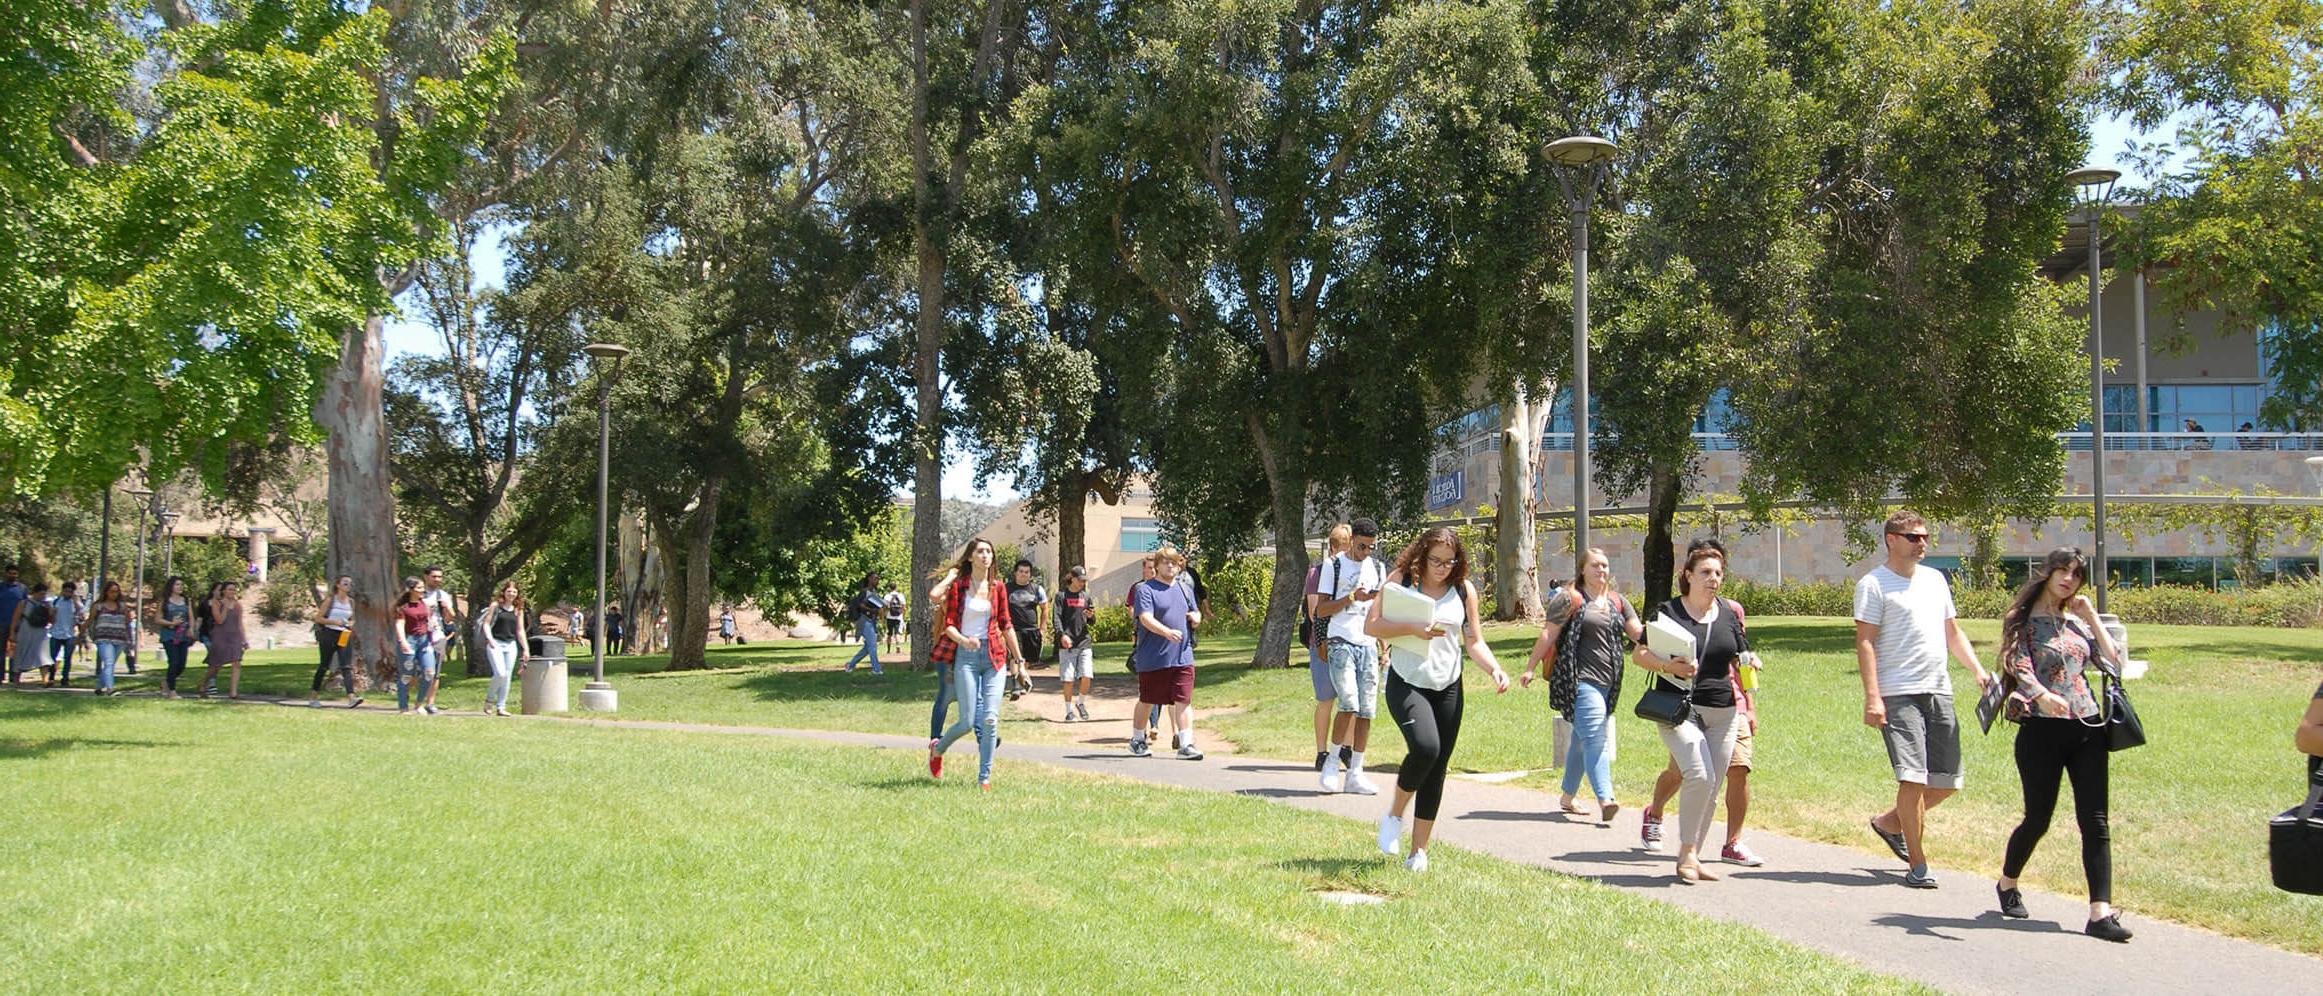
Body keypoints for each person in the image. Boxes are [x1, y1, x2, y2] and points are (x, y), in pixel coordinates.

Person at [1994, 547, 2133, 942]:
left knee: (2096, 821)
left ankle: (2099, 914)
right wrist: (2040, 695)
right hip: (2041, 730)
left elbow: (2115, 661)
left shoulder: (2076, 622)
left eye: (2076, 574)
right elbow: (2017, 665)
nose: (2069, 579)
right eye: (2063, 571)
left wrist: (2091, 617)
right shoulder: (2022, 620)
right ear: (2048, 572)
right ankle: (2007, 882)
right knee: (2039, 818)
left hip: (2088, 726)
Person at [1855, 510, 1994, 888]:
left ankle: (1888, 823)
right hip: (1898, 693)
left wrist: (1978, 671)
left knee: (1948, 781)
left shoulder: (1935, 581)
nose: (1922, 544)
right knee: (1912, 778)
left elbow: (1953, 633)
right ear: (1891, 539)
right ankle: (1918, 864)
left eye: (1926, 537)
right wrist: (1873, 697)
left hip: (1939, 689)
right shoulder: (1873, 584)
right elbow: (1865, 642)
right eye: (1914, 537)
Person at [1366, 527, 1511, 871]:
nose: (1443, 567)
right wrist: (1412, 630)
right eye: (1436, 561)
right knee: (1426, 749)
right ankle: (1393, 816)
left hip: (1447, 685)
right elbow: (1372, 626)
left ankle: (1418, 852)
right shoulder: (1401, 581)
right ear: (1422, 555)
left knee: (1437, 768)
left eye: (1450, 561)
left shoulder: (1463, 590)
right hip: (1407, 682)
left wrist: (1494, 670)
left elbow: (1473, 640)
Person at [1639, 537, 1767, 865]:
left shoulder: (1728, 613)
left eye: (1719, 573)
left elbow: (1741, 653)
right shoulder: (1668, 611)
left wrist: (1749, 665)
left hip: (1724, 711)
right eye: (1706, 572)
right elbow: (1639, 653)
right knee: (1698, 774)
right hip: (1680, 709)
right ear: (1689, 575)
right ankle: (1677, 840)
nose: (1714, 579)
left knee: (1712, 785)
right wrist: (1668, 666)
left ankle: (1692, 854)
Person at [1522, 547, 1641, 827]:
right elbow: (1548, 633)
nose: (1602, 570)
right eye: (1596, 565)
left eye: (1605, 565)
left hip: (1609, 682)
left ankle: (1567, 796)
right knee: (1595, 737)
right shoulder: (1570, 599)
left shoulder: (1617, 601)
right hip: (1580, 680)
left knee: (1579, 739)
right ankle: (1606, 799)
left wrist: (1667, 643)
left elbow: (1636, 632)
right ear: (1583, 569)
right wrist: (1529, 667)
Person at [926, 538, 1021, 788]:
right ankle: (938, 749)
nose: (985, 556)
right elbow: (946, 621)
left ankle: (984, 779)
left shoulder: (998, 587)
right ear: (970, 557)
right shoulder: (959, 586)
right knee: (967, 722)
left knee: (990, 720)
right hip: (966, 657)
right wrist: (963, 640)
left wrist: (1019, 661)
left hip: (994, 657)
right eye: (980, 552)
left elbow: (1006, 624)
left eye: (989, 551)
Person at [1316, 517, 1388, 794]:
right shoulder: (1333, 566)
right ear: (1351, 540)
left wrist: (1383, 647)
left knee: (1367, 709)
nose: (1366, 553)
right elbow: (1320, 610)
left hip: (1368, 643)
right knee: (1348, 702)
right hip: (1340, 640)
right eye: (1361, 547)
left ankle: (1356, 771)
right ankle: (1332, 763)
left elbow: (1379, 611)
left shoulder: (1378, 568)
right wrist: (1350, 598)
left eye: (1371, 547)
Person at [1129, 544, 1204, 760]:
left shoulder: (1184, 588)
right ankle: (1137, 740)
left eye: (1174, 562)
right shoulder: (1146, 589)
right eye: (1166, 562)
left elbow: (1195, 611)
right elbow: (1145, 618)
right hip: (1154, 657)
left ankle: (1186, 743)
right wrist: (1166, 632)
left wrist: (1196, 618)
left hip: (1183, 655)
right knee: (1148, 699)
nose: (1170, 566)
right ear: (1157, 566)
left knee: (1183, 699)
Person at [1305, 524, 1354, 769]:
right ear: (1333, 547)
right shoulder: (1318, 572)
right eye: (1344, 548)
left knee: (1350, 700)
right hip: (1323, 644)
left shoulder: (1355, 571)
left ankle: (1347, 749)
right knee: (1326, 699)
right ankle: (1322, 752)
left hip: (1350, 642)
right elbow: (1316, 613)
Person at [307, 575, 360, 708]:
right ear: (338, 585)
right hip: (329, 634)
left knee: (346, 666)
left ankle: (351, 698)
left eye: (350, 583)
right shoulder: (330, 601)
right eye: (345, 583)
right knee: (324, 665)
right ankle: (313, 696)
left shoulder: (351, 602)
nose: (348, 585)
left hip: (343, 634)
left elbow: (352, 618)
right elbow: (318, 618)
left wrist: (350, 623)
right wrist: (334, 622)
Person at [481, 582, 531, 716]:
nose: (511, 594)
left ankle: (501, 707)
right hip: (495, 643)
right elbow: (486, 624)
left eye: (514, 592)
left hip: (510, 644)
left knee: (507, 676)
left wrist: (525, 649)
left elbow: (520, 631)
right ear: (504, 592)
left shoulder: (518, 609)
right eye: (509, 591)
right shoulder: (496, 606)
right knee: (500, 673)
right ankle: (489, 699)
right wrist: (489, 639)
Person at [1053, 566, 1095, 721]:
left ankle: (1081, 703)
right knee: (1068, 678)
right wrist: (1062, 635)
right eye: (1080, 580)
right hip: (1067, 644)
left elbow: (1092, 620)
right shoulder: (1061, 596)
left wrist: (1090, 616)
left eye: (1084, 581)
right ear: (1072, 578)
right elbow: (1056, 618)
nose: (1082, 583)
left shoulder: (1086, 596)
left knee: (1086, 676)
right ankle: (1068, 711)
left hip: (1084, 641)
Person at [393, 578, 438, 715]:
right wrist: (403, 642)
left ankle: (419, 704)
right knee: (406, 675)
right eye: (419, 588)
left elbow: (429, 619)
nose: (422, 590)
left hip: (424, 641)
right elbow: (399, 624)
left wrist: (433, 624)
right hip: (409, 640)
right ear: (411, 589)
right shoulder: (403, 607)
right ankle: (403, 707)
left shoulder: (425, 604)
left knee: (429, 673)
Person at [418, 566, 460, 715]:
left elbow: (449, 619)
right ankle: (417, 702)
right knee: (419, 670)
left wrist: (447, 609)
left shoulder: (442, 595)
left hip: (437, 636)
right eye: (434, 576)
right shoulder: (417, 593)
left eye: (439, 577)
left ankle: (430, 703)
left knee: (435, 672)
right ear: (426, 576)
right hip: (418, 636)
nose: (437, 580)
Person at [197, 580, 248, 699]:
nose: (232, 592)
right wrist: (225, 606)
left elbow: (240, 623)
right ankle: (203, 684)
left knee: (236, 663)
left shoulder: (237, 605)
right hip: (220, 636)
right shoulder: (216, 603)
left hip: (234, 636)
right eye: (230, 589)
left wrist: (244, 639)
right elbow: (220, 620)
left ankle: (233, 692)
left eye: (234, 589)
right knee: (216, 665)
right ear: (224, 591)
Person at [1004, 560, 1047, 699]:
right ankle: (1015, 686)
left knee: (1026, 659)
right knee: (1014, 656)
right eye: (1021, 571)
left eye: (1027, 572)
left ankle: (1022, 683)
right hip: (1012, 629)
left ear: (1030, 574)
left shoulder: (1037, 589)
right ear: (1015, 573)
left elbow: (1044, 608)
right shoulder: (1006, 588)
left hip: (1031, 629)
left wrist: (1042, 628)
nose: (1024, 574)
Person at [150, 577, 196, 699]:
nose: (180, 587)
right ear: (171, 586)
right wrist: (171, 623)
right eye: (177, 584)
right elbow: (158, 619)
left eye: (181, 585)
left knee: (181, 664)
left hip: (183, 635)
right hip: (169, 636)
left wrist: (191, 629)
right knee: (174, 662)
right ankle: (172, 691)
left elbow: (190, 616)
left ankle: (166, 682)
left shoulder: (186, 600)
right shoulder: (165, 601)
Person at [86, 582, 133, 696]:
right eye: (112, 591)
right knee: (109, 662)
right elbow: (90, 621)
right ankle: (110, 689)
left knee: (110, 664)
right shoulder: (98, 606)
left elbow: (127, 622)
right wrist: (82, 635)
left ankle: (99, 686)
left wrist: (129, 638)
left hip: (119, 638)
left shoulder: (122, 606)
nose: (114, 594)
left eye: (117, 591)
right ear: (106, 592)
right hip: (103, 638)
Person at [9, 582, 54, 687]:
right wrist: (12, 633)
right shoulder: (24, 603)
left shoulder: (46, 605)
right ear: (35, 593)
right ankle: (16, 681)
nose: (42, 596)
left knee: (43, 656)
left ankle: (45, 680)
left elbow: (51, 620)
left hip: (41, 632)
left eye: (44, 594)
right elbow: (15, 619)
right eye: (40, 594)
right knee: (21, 654)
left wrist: (50, 611)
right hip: (26, 631)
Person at [841, 574, 887, 674]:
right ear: (869, 579)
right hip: (865, 620)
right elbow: (860, 605)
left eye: (878, 578)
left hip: (872, 620)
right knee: (872, 646)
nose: (877, 580)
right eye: (875, 578)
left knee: (867, 647)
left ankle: (850, 665)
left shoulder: (874, 592)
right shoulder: (864, 592)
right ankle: (876, 669)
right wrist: (871, 609)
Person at [44, 580, 84, 687]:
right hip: (56, 633)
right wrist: (51, 612)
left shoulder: (75, 603)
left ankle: (65, 678)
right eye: (66, 591)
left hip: (69, 634)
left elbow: (81, 612)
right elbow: (50, 616)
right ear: (62, 591)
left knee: (67, 658)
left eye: (70, 592)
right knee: (52, 657)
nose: (68, 594)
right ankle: (51, 677)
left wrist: (75, 600)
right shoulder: (57, 601)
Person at [883, 586, 906, 655]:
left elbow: (885, 607)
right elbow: (904, 607)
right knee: (897, 633)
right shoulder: (901, 595)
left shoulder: (887, 596)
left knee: (889, 633)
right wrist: (902, 615)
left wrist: (884, 615)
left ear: (889, 588)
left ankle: (888, 650)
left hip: (889, 617)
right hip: (898, 617)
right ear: (896, 588)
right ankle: (898, 648)